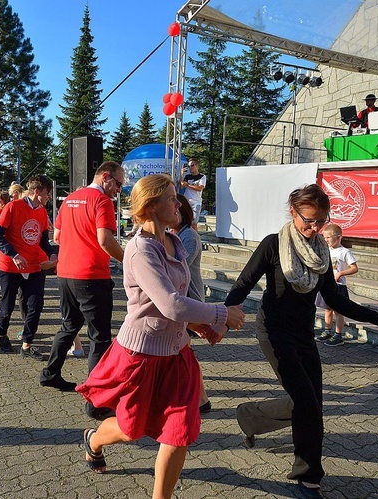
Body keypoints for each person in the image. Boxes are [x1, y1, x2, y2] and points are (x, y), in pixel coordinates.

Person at [223, 184, 378, 498]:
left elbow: (337, 301)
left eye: (321, 222)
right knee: (307, 404)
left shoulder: (322, 254)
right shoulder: (273, 245)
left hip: (303, 335)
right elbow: (242, 286)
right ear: (293, 212)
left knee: (312, 404)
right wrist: (220, 320)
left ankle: (251, 416)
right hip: (273, 332)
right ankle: (308, 476)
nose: (314, 228)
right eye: (308, 220)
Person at [76, 174, 244, 499]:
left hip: (177, 354)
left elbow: (176, 302)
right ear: (151, 206)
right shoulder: (140, 250)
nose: (178, 202)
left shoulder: (175, 241)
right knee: (130, 429)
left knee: (179, 432)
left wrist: (201, 326)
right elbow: (170, 305)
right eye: (170, 197)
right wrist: (220, 313)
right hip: (140, 355)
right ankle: (93, 439)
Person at [40, 162, 125, 401]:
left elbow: (57, 235)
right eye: (118, 184)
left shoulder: (69, 199)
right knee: (99, 337)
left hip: (66, 273)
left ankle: (50, 373)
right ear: (105, 177)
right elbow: (105, 240)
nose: (118, 190)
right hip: (91, 276)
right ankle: (96, 397)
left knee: (69, 326)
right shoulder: (102, 201)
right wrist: (130, 260)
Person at [0, 175, 57, 360]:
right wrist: (14, 255)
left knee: (35, 305)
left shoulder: (42, 212)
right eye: (47, 193)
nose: (49, 197)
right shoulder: (13, 207)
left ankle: (27, 344)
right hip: (9, 267)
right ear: (37, 192)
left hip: (35, 266)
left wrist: (52, 254)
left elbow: (43, 240)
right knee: (8, 305)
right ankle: (2, 334)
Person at [171, 194, 212, 413]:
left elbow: (177, 266)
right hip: (182, 300)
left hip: (190, 300)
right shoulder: (174, 234)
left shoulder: (189, 236)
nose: (172, 211)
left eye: (175, 208)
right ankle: (201, 399)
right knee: (183, 350)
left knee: (183, 351)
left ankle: (200, 399)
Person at [315, 224, 358, 347]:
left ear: (338, 237)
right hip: (326, 284)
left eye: (328, 237)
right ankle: (327, 330)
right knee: (327, 309)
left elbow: (354, 268)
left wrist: (341, 273)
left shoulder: (345, 252)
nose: (326, 240)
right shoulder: (326, 250)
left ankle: (338, 335)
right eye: (325, 238)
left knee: (338, 311)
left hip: (339, 286)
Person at [179, 159, 206, 231]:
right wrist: (182, 174)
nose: (190, 167)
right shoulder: (188, 176)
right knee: (184, 222)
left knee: (194, 223)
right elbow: (181, 186)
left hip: (196, 202)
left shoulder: (202, 176)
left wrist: (188, 185)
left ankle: (195, 240)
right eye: (189, 166)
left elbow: (200, 188)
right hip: (187, 201)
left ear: (197, 166)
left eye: (192, 165)